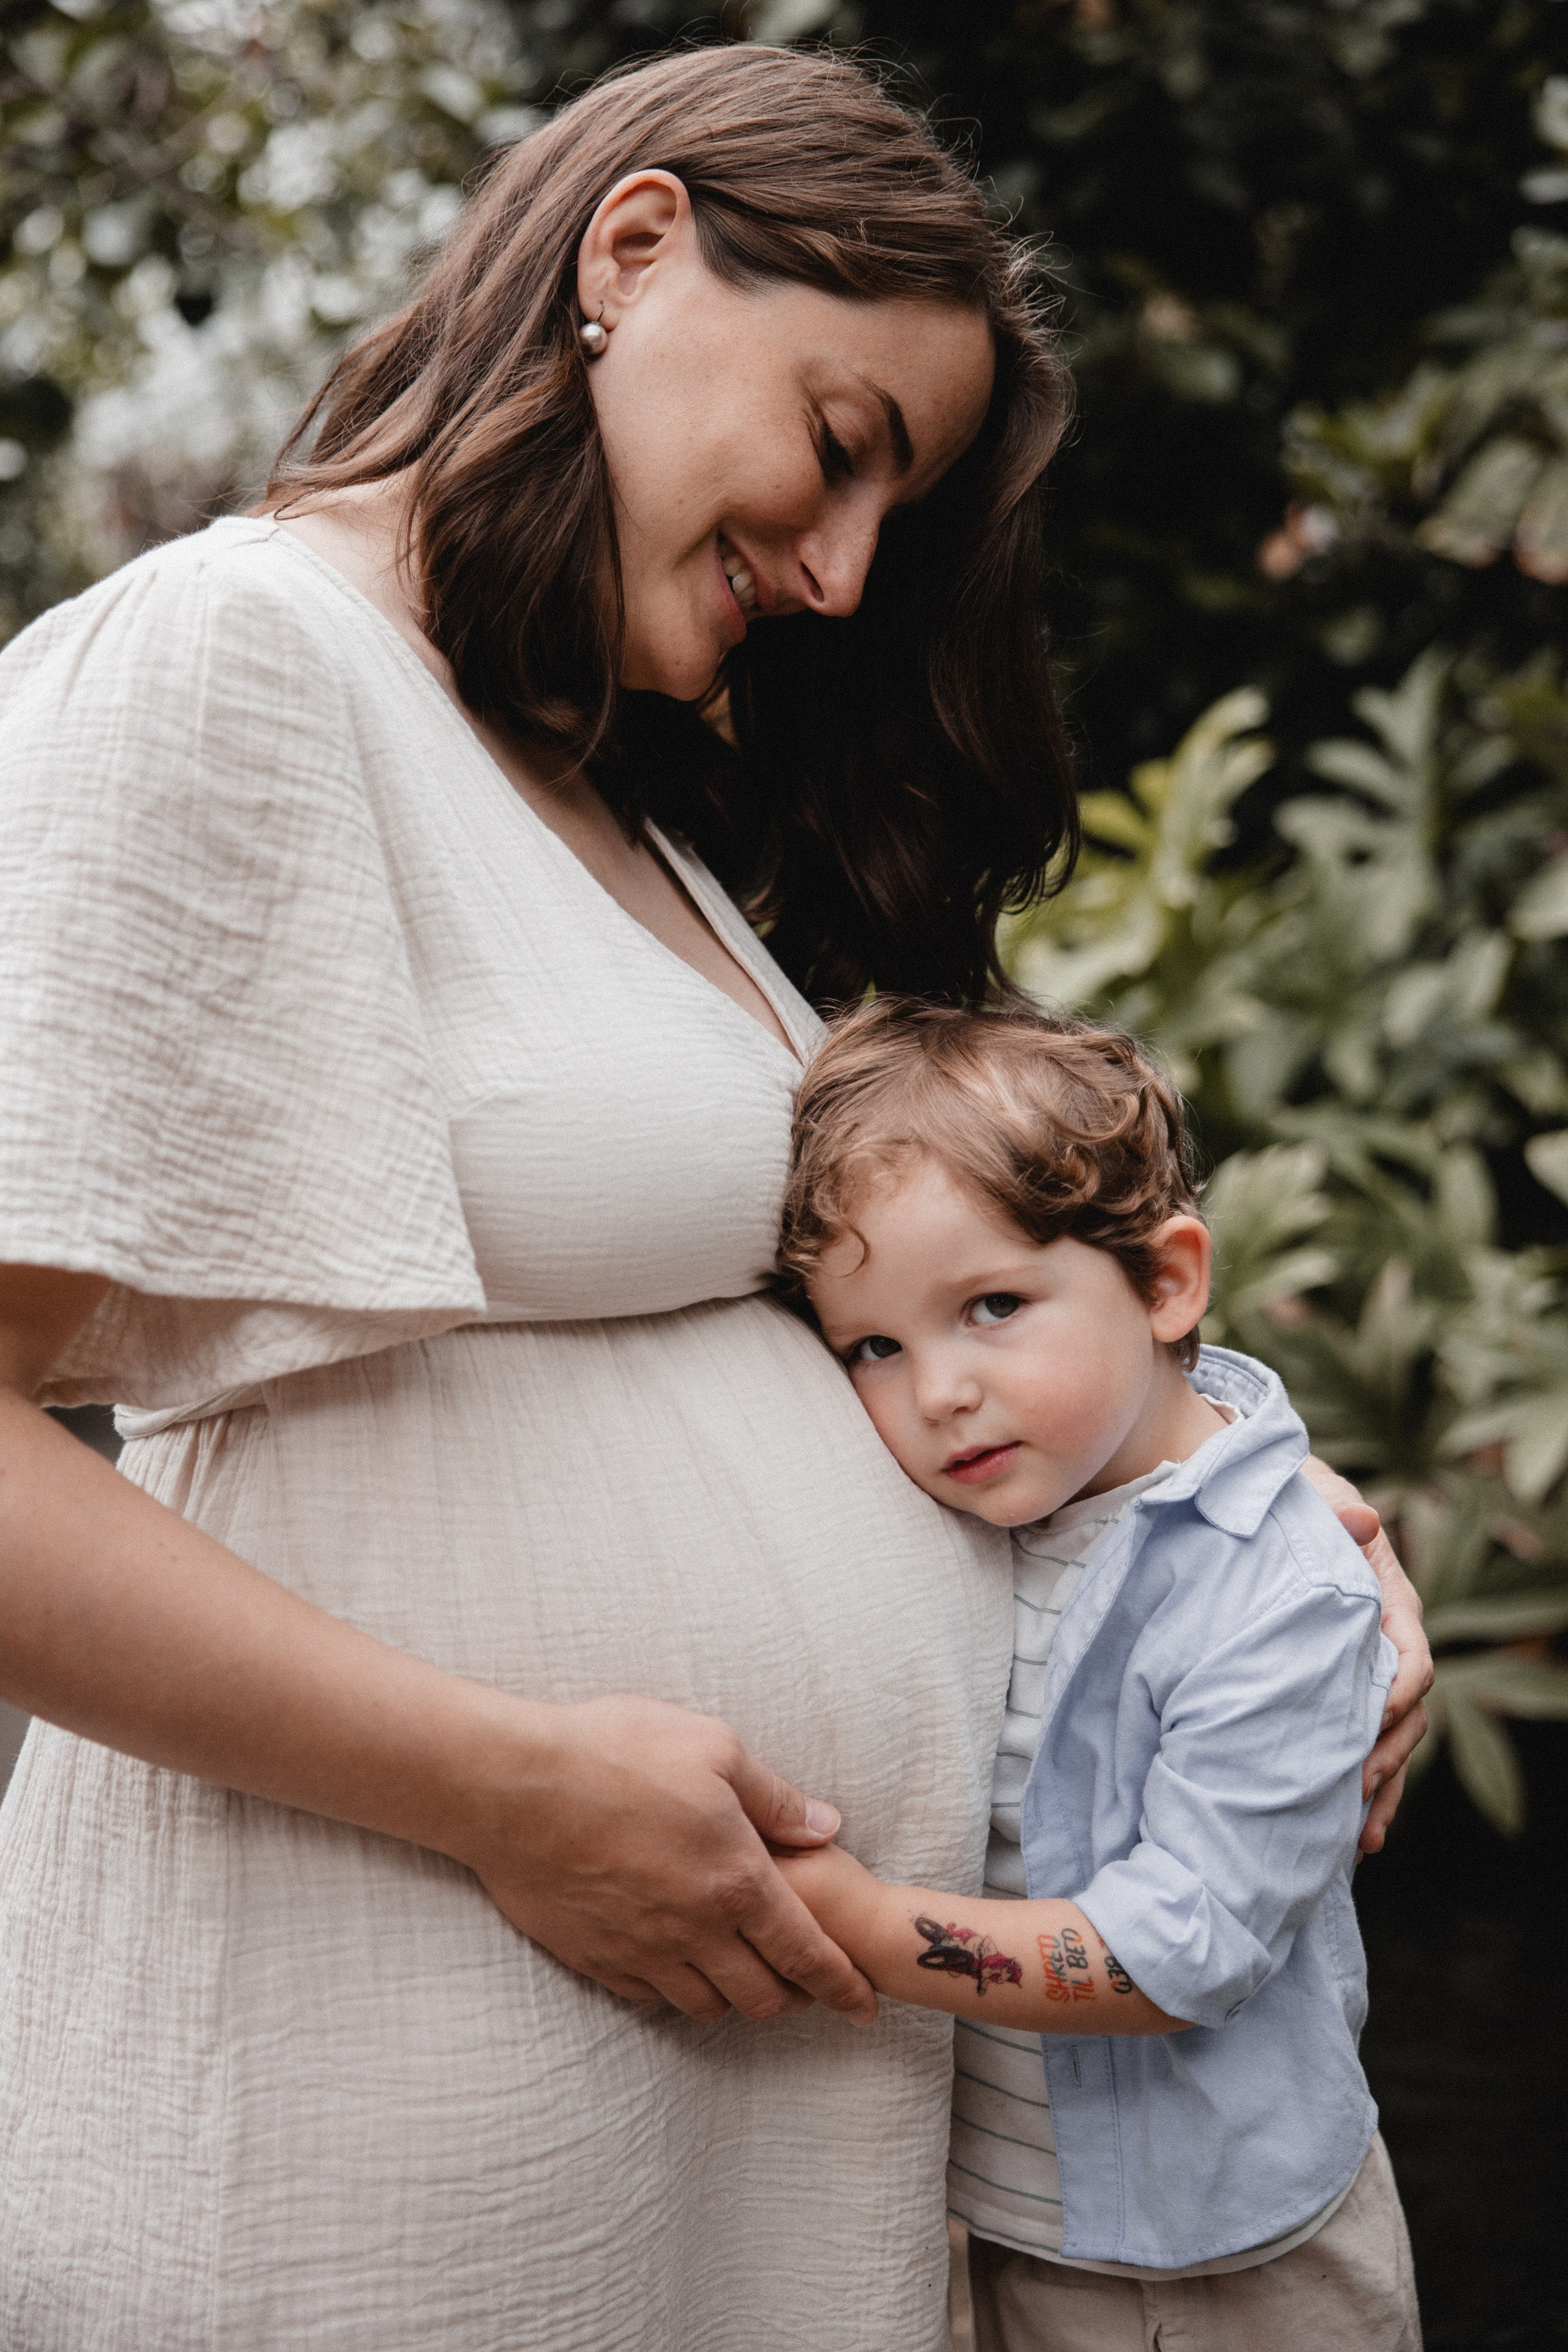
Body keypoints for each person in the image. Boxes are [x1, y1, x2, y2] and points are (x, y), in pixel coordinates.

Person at [0, 43, 1428, 2352]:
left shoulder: (607, 803)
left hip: (709, 2139)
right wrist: (509, 1787)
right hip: (359, 2108)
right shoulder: (231, 659)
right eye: (841, 444)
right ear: (636, 252)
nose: (847, 572)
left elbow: (898, 1318)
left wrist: (1254, 1521)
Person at [776, 998, 1423, 2352]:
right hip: (1025, 2215)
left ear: (1165, 1282)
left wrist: (863, 1920)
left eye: (991, 1307)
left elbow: (1179, 1948)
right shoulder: (1017, 1501)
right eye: (873, 1348)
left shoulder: (1276, 1591)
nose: (936, 1390)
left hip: (1209, 2260)